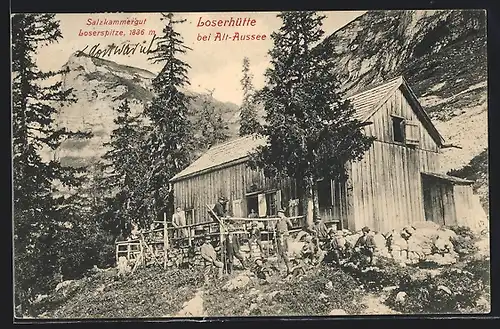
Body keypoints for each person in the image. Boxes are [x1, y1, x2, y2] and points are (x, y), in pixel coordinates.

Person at [275, 208, 293, 275]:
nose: (278, 214)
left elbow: (291, 225)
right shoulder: (278, 220)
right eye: (278, 213)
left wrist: (285, 230)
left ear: (282, 213)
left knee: (283, 250)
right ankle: (281, 267)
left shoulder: (285, 219)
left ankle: (287, 266)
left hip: (284, 235)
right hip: (279, 236)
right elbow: (275, 227)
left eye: (279, 213)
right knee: (280, 251)